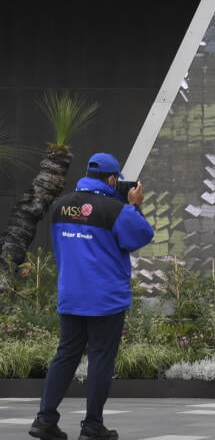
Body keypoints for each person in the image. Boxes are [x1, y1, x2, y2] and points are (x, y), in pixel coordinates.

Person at [30, 153, 154, 440]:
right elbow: (141, 236)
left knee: (65, 355)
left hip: (71, 294)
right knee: (100, 359)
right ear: (112, 179)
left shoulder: (60, 206)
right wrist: (134, 206)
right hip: (105, 298)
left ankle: (45, 419)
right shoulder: (116, 210)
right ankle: (92, 426)